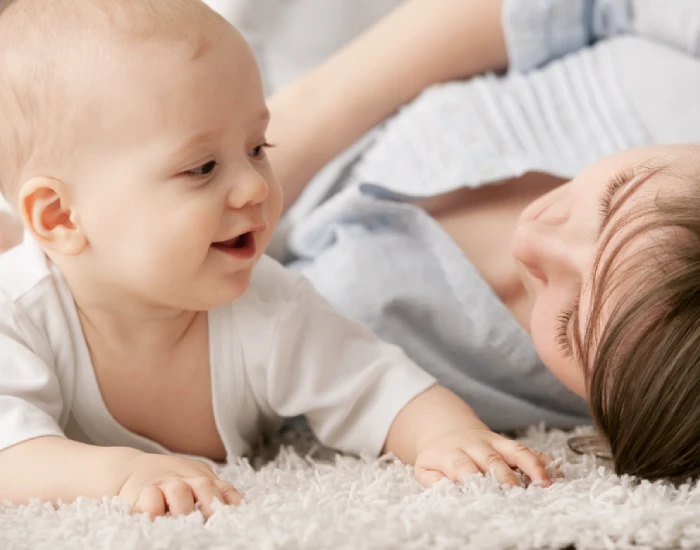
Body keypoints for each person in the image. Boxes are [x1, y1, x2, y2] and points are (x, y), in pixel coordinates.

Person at [0, 0, 558, 521]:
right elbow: (9, 453)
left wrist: (446, 435)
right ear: (60, 218)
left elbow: (374, 382)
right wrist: (119, 474)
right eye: (201, 168)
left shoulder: (268, 305)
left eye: (257, 148)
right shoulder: (18, 314)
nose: (253, 188)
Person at [262, 0, 700, 482]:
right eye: (616, 198)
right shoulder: (671, 85)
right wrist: (278, 139)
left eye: (570, 325)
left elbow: (241, 370)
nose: (536, 239)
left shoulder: (422, 355)